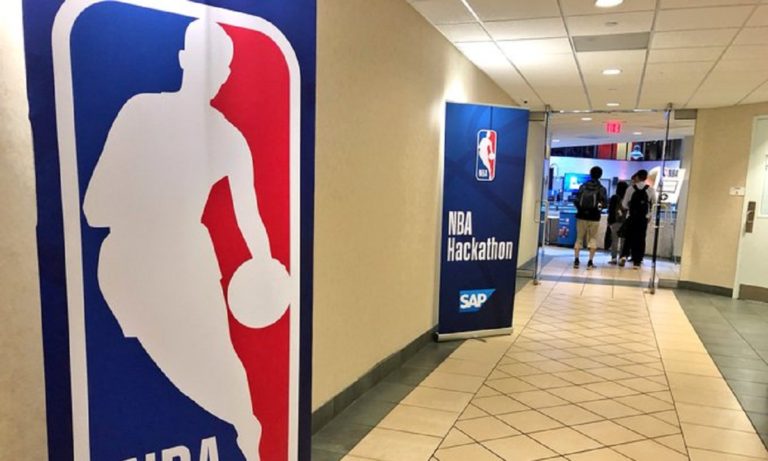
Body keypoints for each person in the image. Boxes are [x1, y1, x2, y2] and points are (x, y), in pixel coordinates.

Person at [83, 19, 290, 461]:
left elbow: (249, 218)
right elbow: (94, 208)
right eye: (206, 60)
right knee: (182, 369)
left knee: (218, 366)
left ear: (227, 73)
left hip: (185, 262)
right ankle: (241, 426)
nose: (215, 73)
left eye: (222, 65)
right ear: (183, 59)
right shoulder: (141, 112)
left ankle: (246, 431)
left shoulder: (228, 138)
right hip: (129, 266)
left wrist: (265, 268)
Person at [619, 169, 657, 269]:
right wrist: (649, 216)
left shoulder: (630, 189)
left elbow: (624, 205)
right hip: (643, 219)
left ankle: (624, 256)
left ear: (637, 177)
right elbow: (654, 205)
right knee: (640, 239)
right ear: (646, 178)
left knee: (628, 237)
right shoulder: (651, 190)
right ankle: (637, 261)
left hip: (632, 217)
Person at [573, 166, 608, 269]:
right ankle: (590, 262)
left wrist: (581, 209)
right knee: (592, 238)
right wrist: (597, 209)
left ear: (590, 174)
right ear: (600, 175)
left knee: (579, 238)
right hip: (594, 217)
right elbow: (604, 204)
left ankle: (576, 261)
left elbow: (576, 200)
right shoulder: (602, 188)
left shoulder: (583, 186)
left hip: (581, 216)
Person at [607, 181, 629, 265]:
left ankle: (613, 258)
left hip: (615, 222)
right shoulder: (627, 198)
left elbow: (610, 210)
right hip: (625, 222)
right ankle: (622, 258)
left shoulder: (614, 197)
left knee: (614, 240)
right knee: (624, 241)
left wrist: (609, 221)